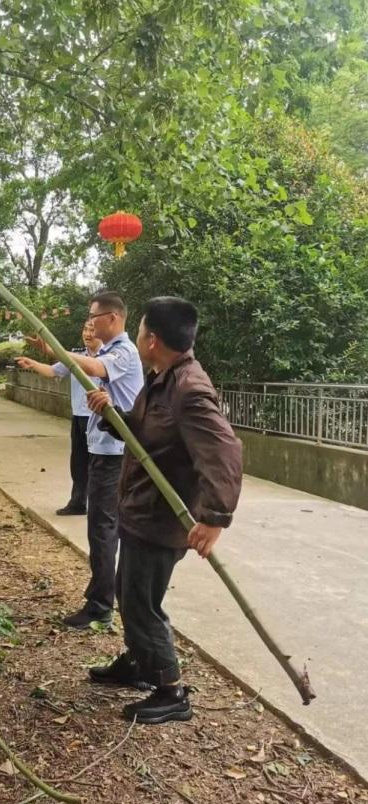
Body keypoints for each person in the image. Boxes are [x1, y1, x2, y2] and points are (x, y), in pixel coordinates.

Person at [86, 297, 243, 724]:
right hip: (141, 508)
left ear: (152, 339)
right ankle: (141, 662)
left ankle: (170, 689)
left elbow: (225, 451)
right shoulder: (164, 378)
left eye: (139, 330)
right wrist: (111, 414)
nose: (136, 336)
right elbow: (147, 430)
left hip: (160, 518)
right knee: (131, 592)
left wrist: (215, 518)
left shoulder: (189, 389)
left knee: (141, 602)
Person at [26, 292, 144, 629]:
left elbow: (91, 366)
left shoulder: (123, 352)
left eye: (94, 316)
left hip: (115, 453)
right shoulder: (107, 351)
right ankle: (103, 595)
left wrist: (59, 349)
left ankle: (101, 606)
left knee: (103, 528)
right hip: (101, 446)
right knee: (103, 527)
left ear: (113, 318)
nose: (90, 322)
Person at [15, 321, 103, 516]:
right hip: (79, 416)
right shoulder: (76, 356)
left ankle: (101, 506)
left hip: (100, 418)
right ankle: (78, 502)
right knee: (78, 462)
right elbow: (53, 371)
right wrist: (33, 363)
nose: (88, 334)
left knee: (99, 464)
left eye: (92, 330)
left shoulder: (108, 358)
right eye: (85, 329)